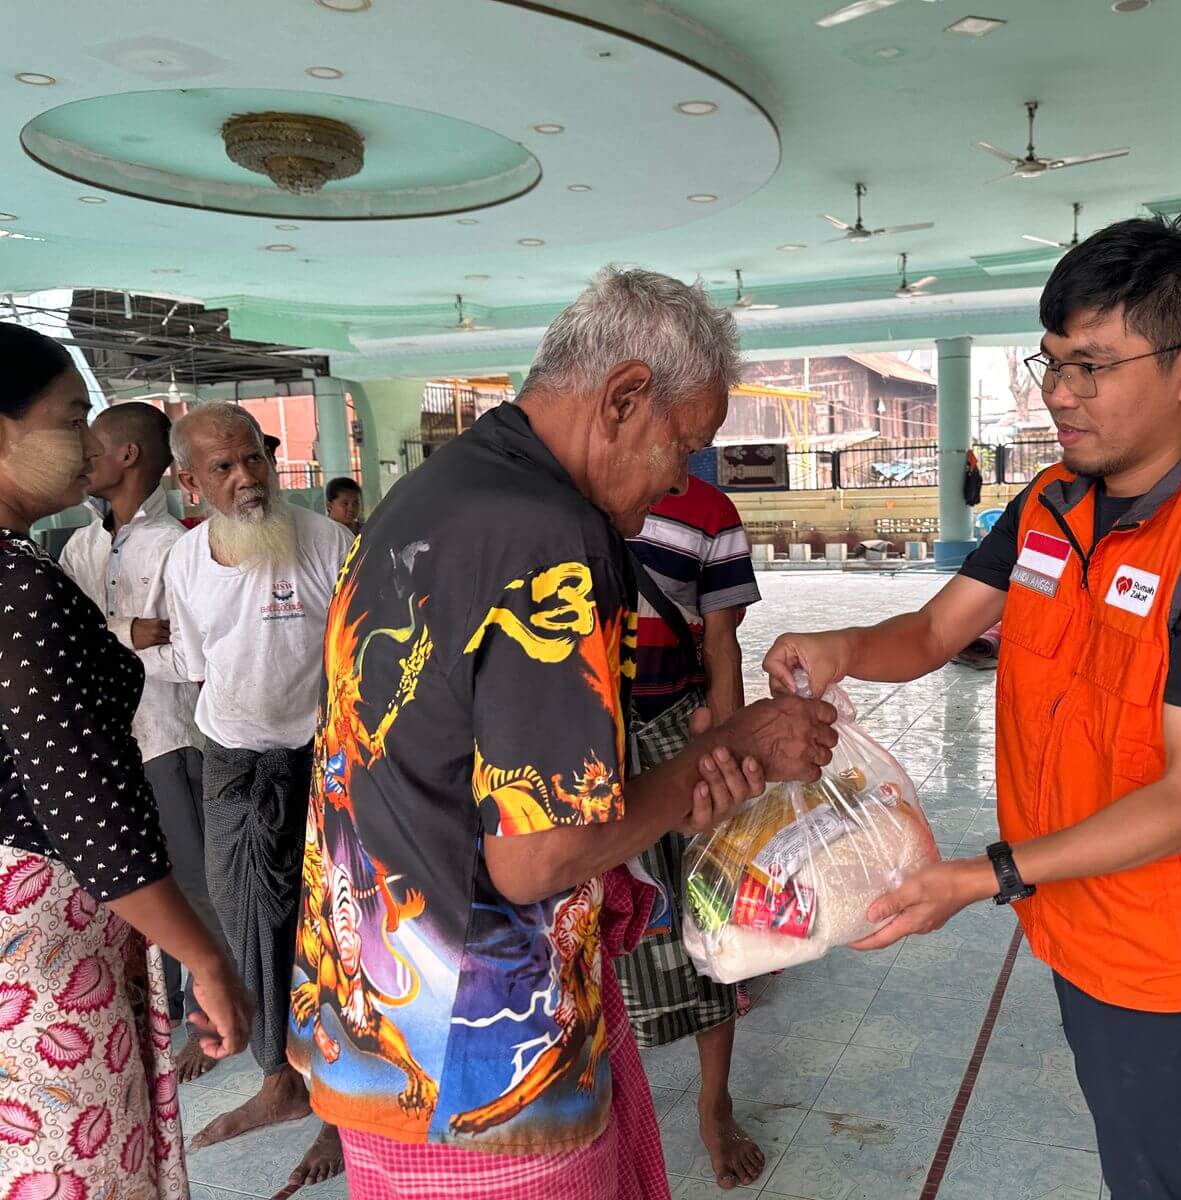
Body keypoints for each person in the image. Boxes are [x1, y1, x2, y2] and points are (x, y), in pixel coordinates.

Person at [764, 216, 1181, 1200]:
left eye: (1094, 366)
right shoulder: (1050, 502)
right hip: (1069, 911)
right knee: (1132, 1151)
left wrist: (982, 876)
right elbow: (937, 633)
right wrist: (844, 648)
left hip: (1163, 952)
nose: (1058, 394)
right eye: (1052, 361)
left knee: (1167, 1180)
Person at [286, 267, 837, 1200]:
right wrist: (718, 762)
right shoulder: (550, 540)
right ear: (624, 397)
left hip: (371, 1019)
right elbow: (538, 858)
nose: (678, 479)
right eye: (685, 445)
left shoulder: (429, 497)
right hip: (483, 1062)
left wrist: (710, 748)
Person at [0, 323, 252, 1200]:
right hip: (45, 935)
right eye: (71, 416)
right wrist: (207, 963)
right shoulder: (19, 587)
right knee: (76, 1160)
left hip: (45, 914)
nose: (86, 441)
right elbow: (83, 806)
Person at [162, 402, 353, 1188]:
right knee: (249, 923)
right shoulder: (185, 561)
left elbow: (360, 656)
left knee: (336, 931)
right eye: (223, 468)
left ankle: (342, 1106)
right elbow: (197, 659)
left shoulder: (326, 542)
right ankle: (280, 1081)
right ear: (190, 483)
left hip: (325, 759)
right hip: (234, 759)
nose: (246, 479)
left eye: (254, 461)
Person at [59, 402, 224, 1082]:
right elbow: (79, 648)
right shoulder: (80, 547)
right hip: (114, 742)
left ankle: (215, 1012)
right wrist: (125, 630)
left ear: (127, 455)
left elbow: (186, 647)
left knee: (195, 882)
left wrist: (118, 636)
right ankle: (173, 1003)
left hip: (168, 734)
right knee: (137, 878)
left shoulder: (174, 546)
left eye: (88, 440)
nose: (80, 454)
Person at [616, 474, 764, 1190]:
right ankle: (604, 1093)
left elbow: (724, 647)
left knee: (709, 918)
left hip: (677, 731)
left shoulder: (709, 513)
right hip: (578, 746)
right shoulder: (554, 498)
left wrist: (723, 756)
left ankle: (714, 1103)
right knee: (595, 929)